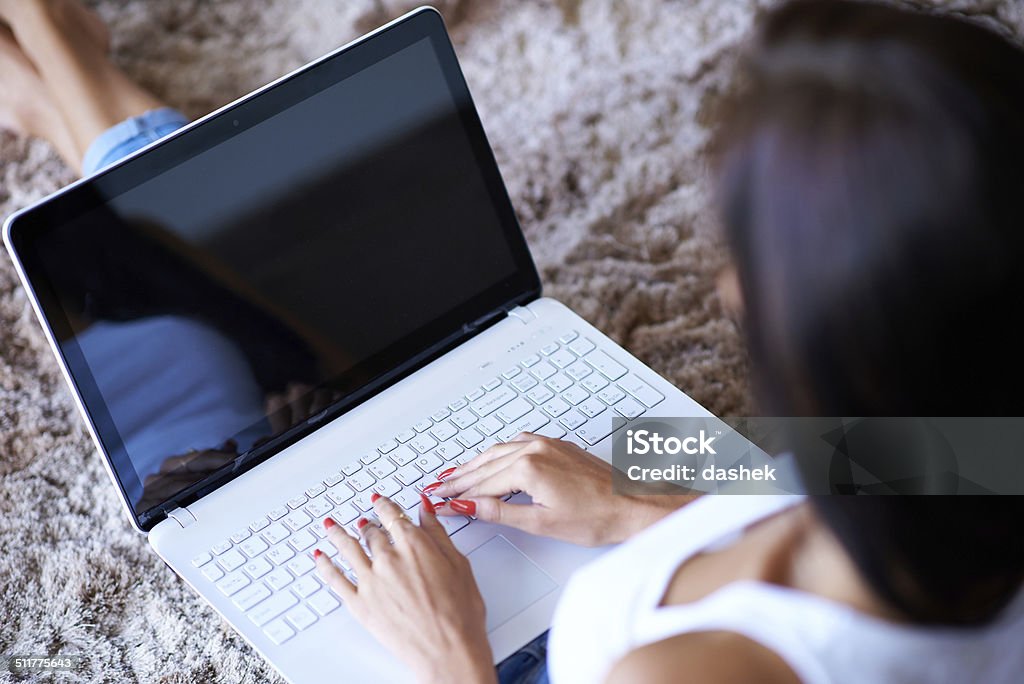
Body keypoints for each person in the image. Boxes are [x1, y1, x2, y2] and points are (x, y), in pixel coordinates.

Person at [3, 1, 1022, 682]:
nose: (721, 283)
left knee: (196, 364)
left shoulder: (695, 670)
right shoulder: (979, 449)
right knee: (309, 368)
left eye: (747, 244)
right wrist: (638, 506)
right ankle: (89, 109)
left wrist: (449, 648)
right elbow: (816, 470)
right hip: (631, 528)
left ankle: (86, 109)